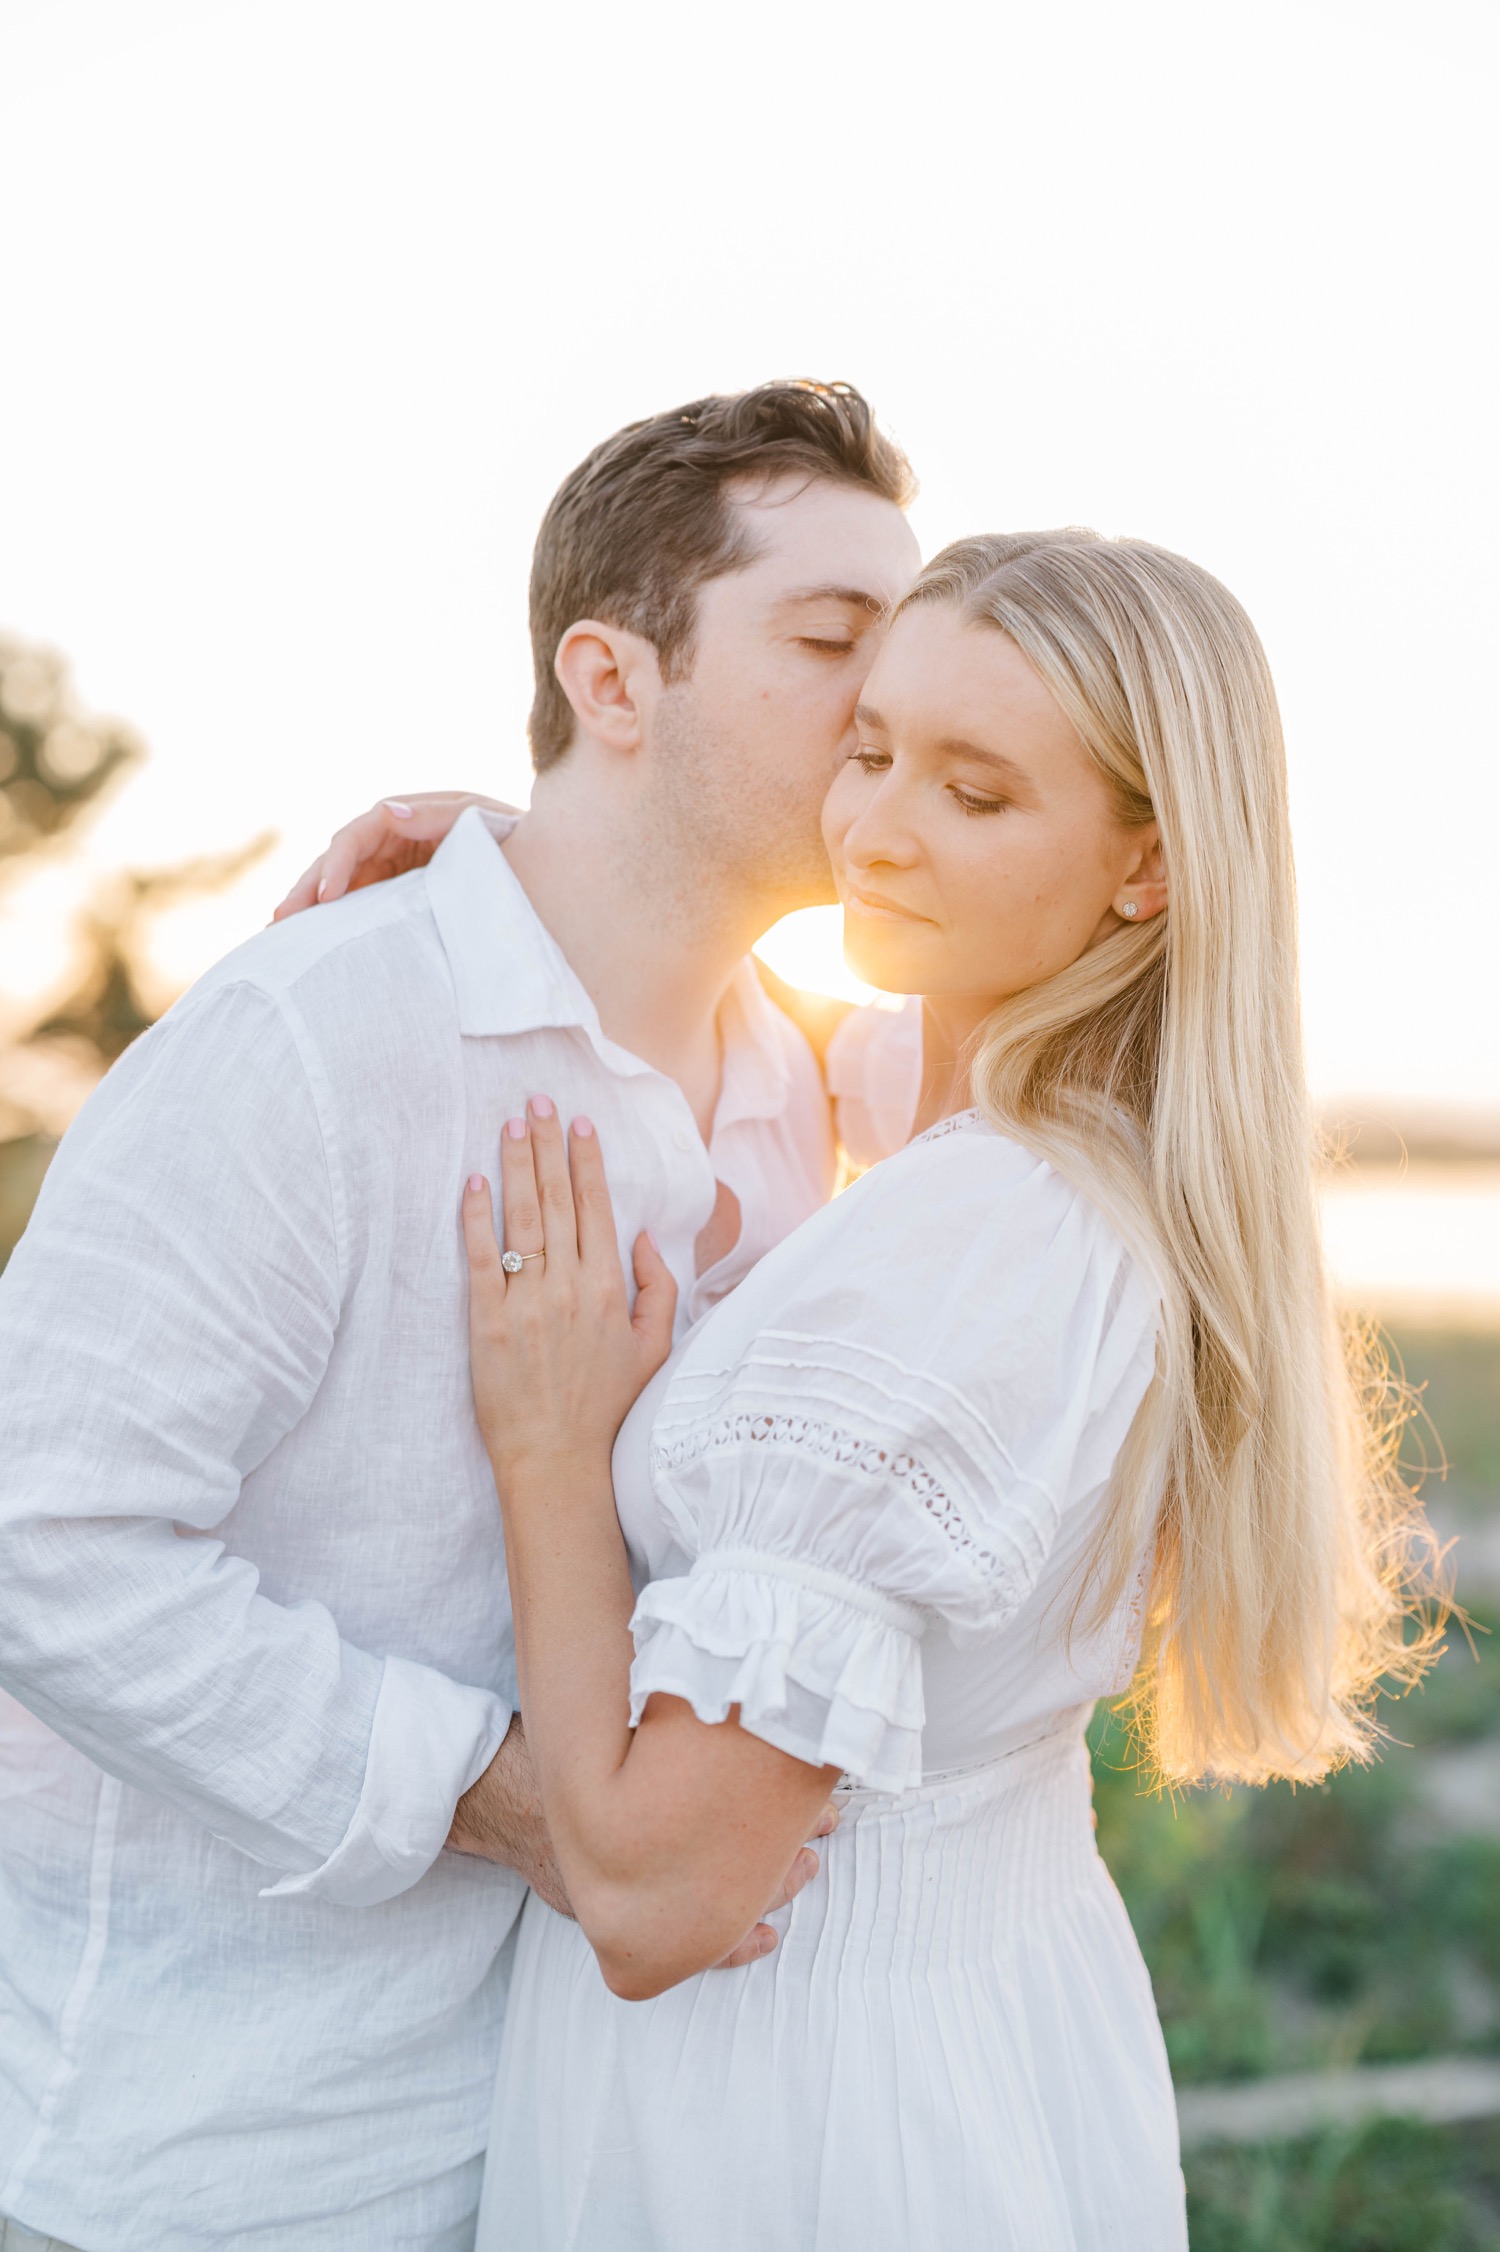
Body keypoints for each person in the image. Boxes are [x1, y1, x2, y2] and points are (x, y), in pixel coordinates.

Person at [366, 530, 1437, 2248]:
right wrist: (543, 860)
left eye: (979, 793)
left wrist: (552, 1447)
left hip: (788, 2103)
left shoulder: (963, 1251)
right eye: (868, 749)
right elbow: (824, 1044)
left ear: (1145, 866)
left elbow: (653, 1898)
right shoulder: (1055, 1143)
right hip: (975, 2039)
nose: (875, 827)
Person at [0, 381, 920, 2252]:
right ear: (613, 677)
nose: (890, 706)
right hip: (230, 2156)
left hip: (589, 2132)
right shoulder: (316, 1037)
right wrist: (504, 1803)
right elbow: (43, 1532)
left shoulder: (808, 1087)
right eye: (832, 642)